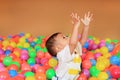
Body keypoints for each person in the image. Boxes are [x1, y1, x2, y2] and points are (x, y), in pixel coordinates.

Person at [45, 12, 93, 80]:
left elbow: (82, 41)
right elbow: (72, 43)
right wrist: (75, 26)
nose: (67, 37)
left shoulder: (73, 49)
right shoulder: (62, 54)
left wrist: (86, 26)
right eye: (64, 38)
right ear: (58, 48)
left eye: (66, 36)